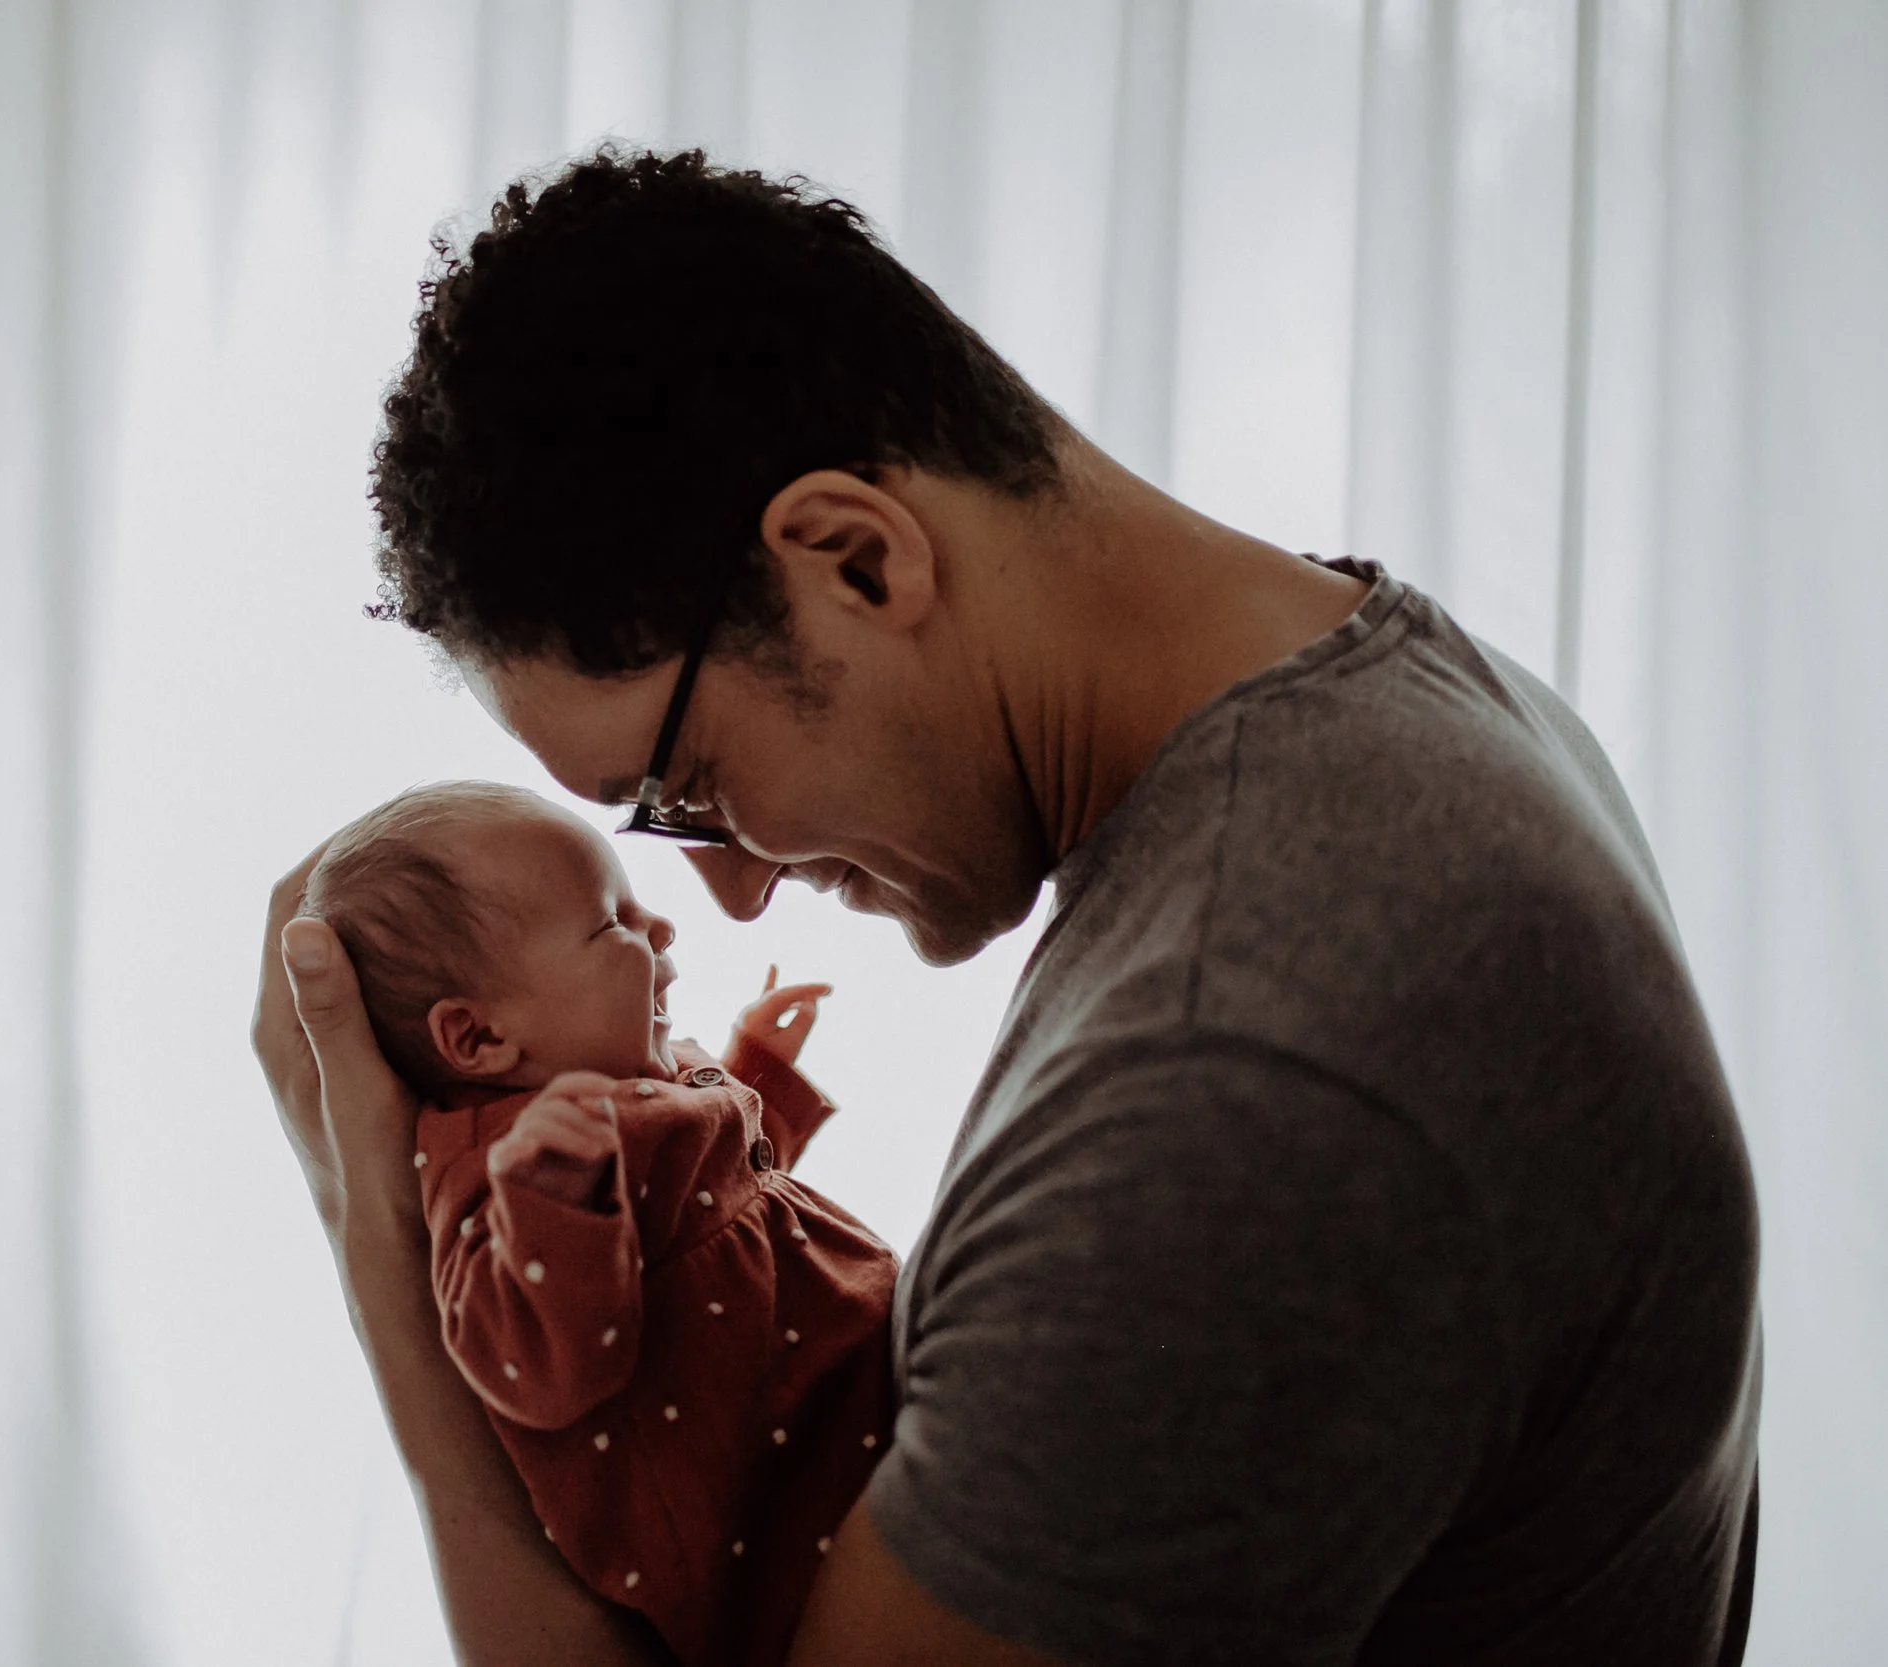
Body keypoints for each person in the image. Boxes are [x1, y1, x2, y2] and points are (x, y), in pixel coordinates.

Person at [251, 149, 1761, 1666]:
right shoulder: (1431, 709)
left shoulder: (1241, 1071)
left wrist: (377, 1244)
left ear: (856, 555)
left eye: (690, 785)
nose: (722, 881)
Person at [298, 780, 896, 1667]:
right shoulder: (501, 1164)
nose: (660, 928)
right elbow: (530, 1362)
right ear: (476, 1038)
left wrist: (756, 1069)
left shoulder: (627, 1086)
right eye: (612, 923)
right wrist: (553, 1201)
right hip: (791, 1521)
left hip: (859, 1407)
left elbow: (714, 1200)